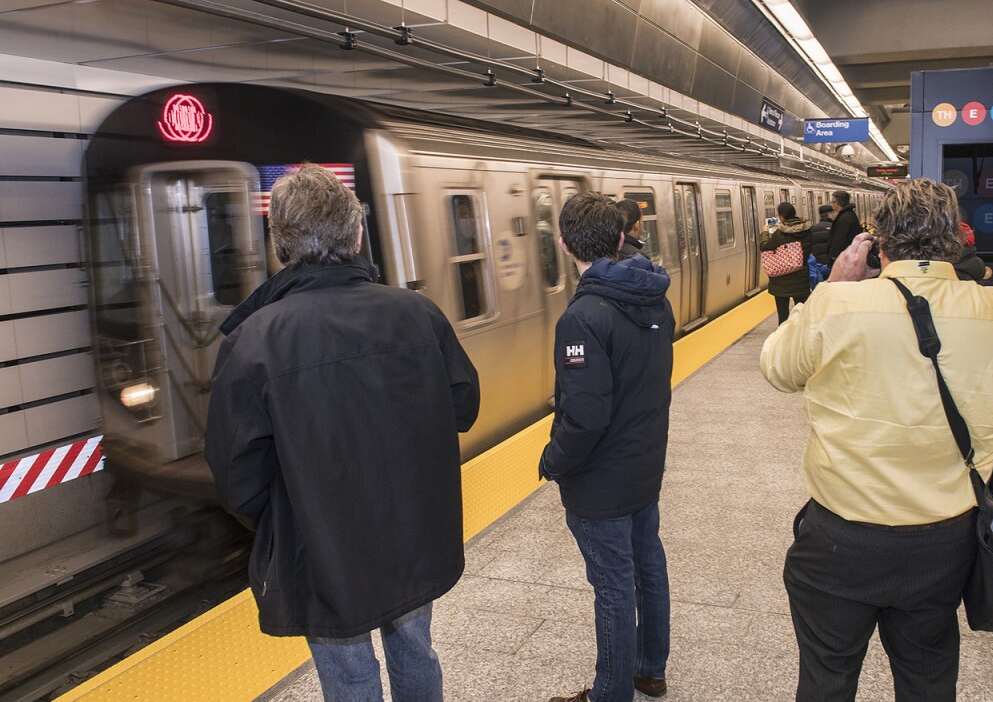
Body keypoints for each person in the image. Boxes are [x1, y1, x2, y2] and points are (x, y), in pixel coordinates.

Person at [205, 164, 481, 702]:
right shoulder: (419, 314)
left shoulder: (254, 340)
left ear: (281, 246)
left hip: (320, 543)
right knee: (416, 650)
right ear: (356, 237)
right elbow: (463, 406)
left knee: (349, 673)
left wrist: (286, 511)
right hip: (413, 528)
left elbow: (236, 474)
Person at [760, 178, 993, 702]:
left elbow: (778, 369)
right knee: (929, 676)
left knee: (826, 678)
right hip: (946, 538)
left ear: (879, 241)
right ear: (956, 239)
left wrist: (832, 285)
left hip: (843, 536)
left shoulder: (839, 303)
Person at [540, 191, 676, 702]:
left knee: (614, 586)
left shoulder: (582, 317)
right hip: (645, 461)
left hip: (601, 479)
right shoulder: (654, 297)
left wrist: (552, 460)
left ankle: (611, 693)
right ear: (621, 238)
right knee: (648, 567)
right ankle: (649, 670)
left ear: (563, 244)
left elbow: (585, 416)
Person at [760, 201, 813, 324]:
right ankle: (802, 333)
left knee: (783, 316)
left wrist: (765, 233)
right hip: (801, 278)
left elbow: (765, 247)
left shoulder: (779, 234)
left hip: (781, 280)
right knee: (802, 314)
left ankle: (784, 334)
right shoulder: (807, 231)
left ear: (782, 216)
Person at [825, 190, 865, 263]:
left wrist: (833, 258)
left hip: (845, 258)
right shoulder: (848, 214)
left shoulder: (844, 218)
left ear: (837, 203)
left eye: (832, 202)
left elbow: (840, 239)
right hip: (849, 255)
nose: (831, 204)